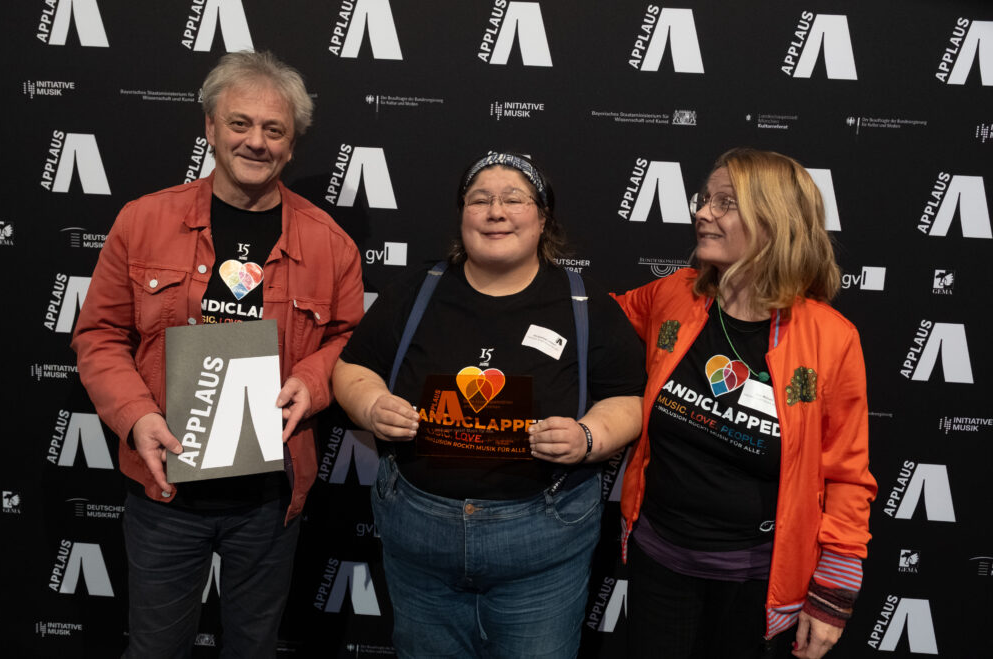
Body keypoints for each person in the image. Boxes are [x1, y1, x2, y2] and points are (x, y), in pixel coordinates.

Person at [71, 50, 363, 658]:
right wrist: (136, 417)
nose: (255, 141)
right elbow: (99, 337)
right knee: (154, 649)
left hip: (269, 496)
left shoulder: (330, 244)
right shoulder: (142, 221)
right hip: (165, 491)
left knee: (252, 649)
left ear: (291, 143)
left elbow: (349, 341)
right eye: (239, 123)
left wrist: (312, 381)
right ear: (209, 127)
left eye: (273, 129)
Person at [332, 152, 646, 658]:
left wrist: (589, 437)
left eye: (513, 199)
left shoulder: (585, 305)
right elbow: (352, 367)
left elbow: (626, 398)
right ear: (462, 216)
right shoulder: (415, 292)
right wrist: (370, 405)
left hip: (542, 542)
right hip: (419, 535)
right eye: (479, 200)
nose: (495, 211)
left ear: (543, 218)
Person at [614, 147, 876, 659]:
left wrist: (833, 596)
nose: (703, 212)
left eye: (726, 203)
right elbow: (592, 328)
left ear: (775, 220)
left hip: (755, 584)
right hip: (658, 563)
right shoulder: (675, 295)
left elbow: (847, 474)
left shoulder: (831, 339)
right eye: (705, 198)